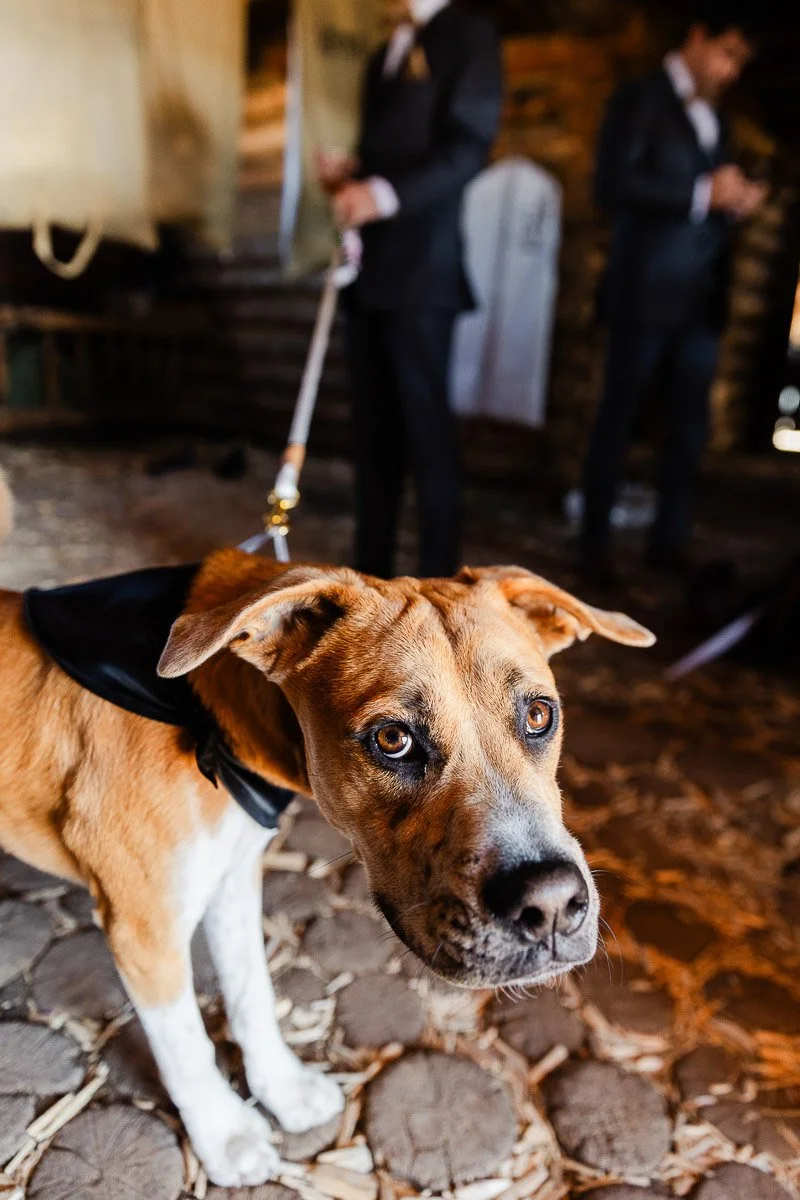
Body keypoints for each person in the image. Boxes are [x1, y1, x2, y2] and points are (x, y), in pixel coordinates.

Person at [580, 8, 767, 584]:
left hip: (701, 299)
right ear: (697, 35)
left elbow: (709, 204)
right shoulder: (639, 98)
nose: (731, 70)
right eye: (727, 53)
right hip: (644, 291)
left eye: (741, 63)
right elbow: (611, 185)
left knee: (689, 428)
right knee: (619, 418)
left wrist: (736, 200)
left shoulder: (720, 120)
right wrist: (699, 191)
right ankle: (593, 546)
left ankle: (668, 540)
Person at [318, 0, 503, 579]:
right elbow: (389, 152)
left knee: (427, 435)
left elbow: (468, 146)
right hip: (369, 269)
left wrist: (384, 194)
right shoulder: (385, 54)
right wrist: (351, 176)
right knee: (372, 435)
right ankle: (370, 574)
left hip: (424, 270)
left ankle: (440, 581)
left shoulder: (468, 34)